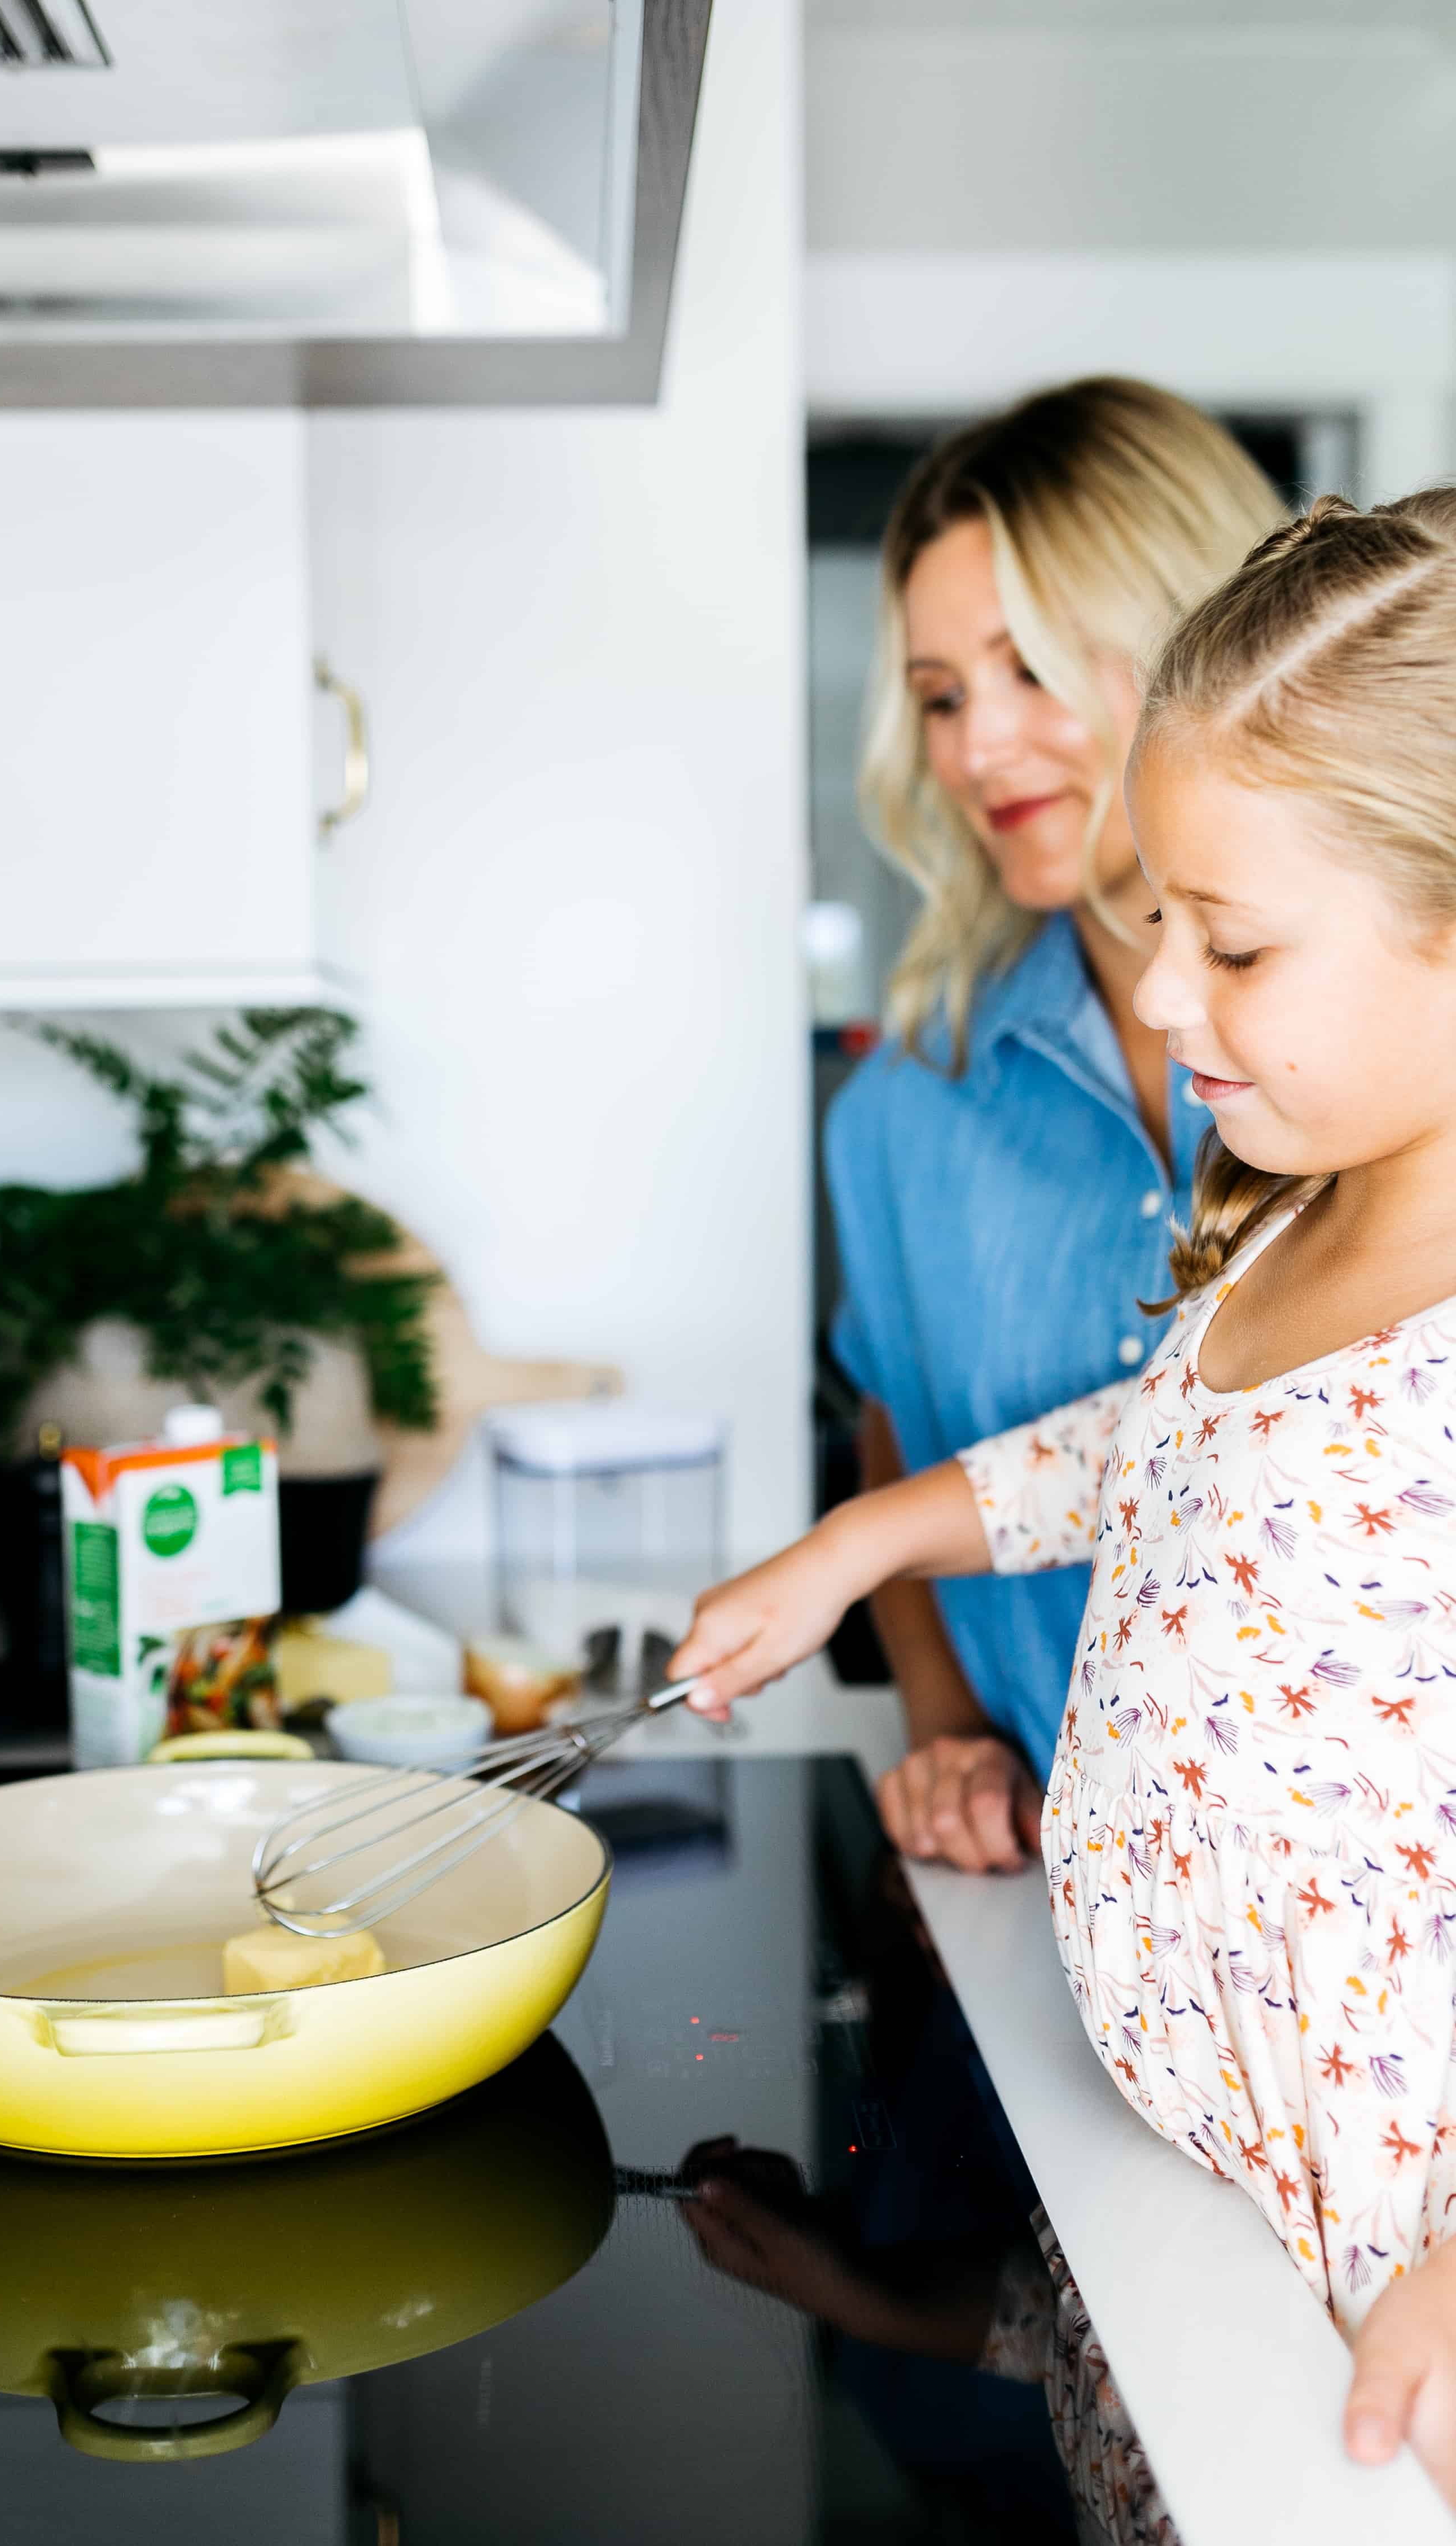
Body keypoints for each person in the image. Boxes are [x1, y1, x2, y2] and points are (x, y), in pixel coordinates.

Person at [676, 489, 1456, 2499]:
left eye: (1238, 939)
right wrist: (865, 1541)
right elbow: (1160, 1455)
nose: (1169, 994)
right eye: (1159, 922)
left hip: (1402, 2313)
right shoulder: (1285, 1220)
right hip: (1194, 2221)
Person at [829, 378, 1283, 1873]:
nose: (976, 748)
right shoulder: (905, 1110)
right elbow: (897, 1428)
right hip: (1067, 1925)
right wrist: (941, 1719)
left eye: (1028, 665)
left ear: (1196, 639)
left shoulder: (1399, 1053)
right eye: (945, 696)